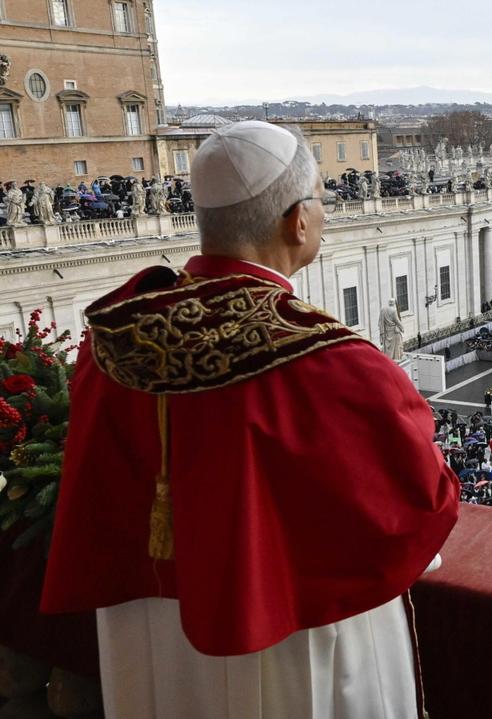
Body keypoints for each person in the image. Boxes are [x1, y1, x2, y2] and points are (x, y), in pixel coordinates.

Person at [41, 121, 460, 719]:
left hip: (150, 625)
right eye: (320, 200)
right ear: (298, 221)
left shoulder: (116, 338)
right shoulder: (332, 361)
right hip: (292, 629)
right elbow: (421, 503)